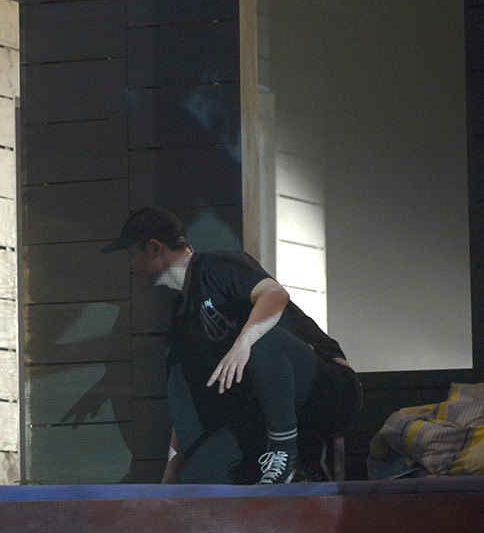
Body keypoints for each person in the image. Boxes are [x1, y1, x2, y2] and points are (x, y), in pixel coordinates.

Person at [102, 206, 361, 485]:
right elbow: (184, 405)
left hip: (327, 389)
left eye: (131, 255)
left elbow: (275, 294)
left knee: (260, 338)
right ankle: (298, 461)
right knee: (197, 476)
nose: (130, 266)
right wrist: (172, 474)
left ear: (155, 248)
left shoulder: (217, 265)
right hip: (265, 408)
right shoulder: (181, 318)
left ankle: (287, 454)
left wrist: (242, 343)